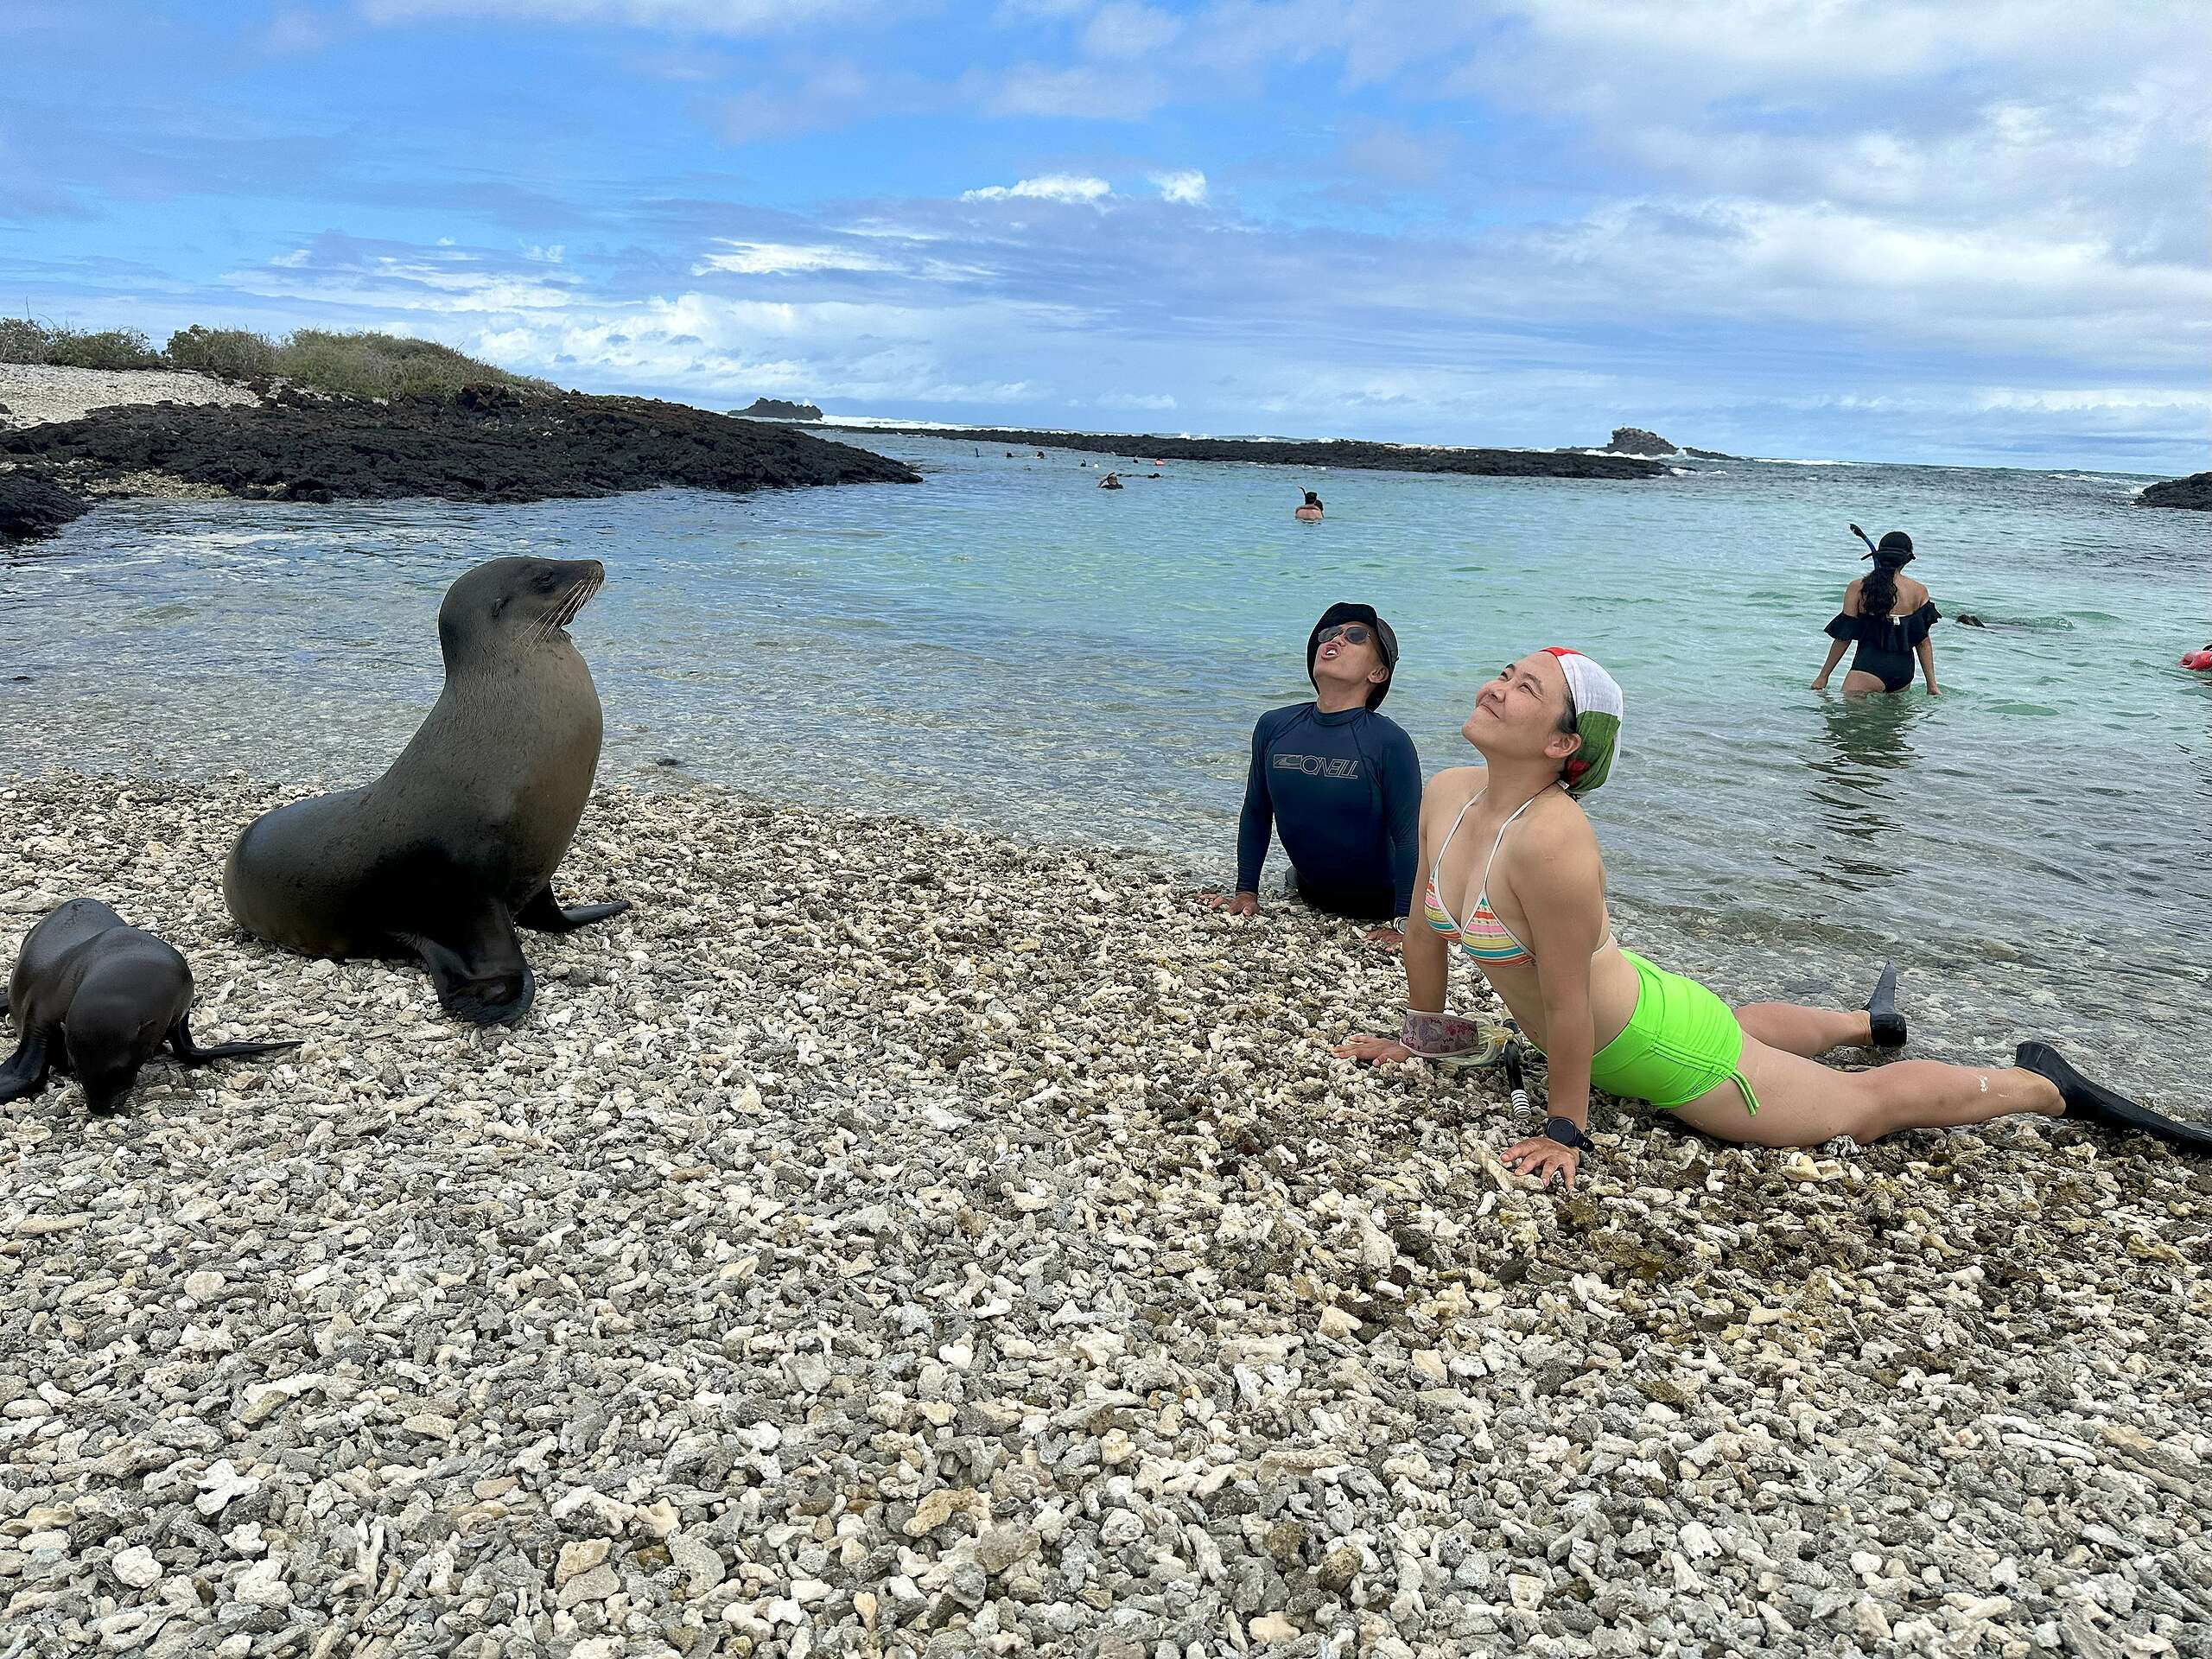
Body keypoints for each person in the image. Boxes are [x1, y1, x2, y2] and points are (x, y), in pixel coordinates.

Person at [1334, 646, 2208, 1186]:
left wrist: (1566, 1129)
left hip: (1660, 1050)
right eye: (1503, 673)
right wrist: (1421, 1036)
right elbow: (1423, 929)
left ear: (1566, 744)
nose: (1494, 688)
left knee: (1857, 1110)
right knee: (1741, 1028)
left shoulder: (1554, 843)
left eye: (1522, 688)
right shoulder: (1448, 794)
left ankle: (2043, 1084)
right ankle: (1871, 1020)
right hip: (1641, 1001)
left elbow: (1564, 1004)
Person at [1207, 603, 1421, 950]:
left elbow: (1410, 836)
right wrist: (1246, 891)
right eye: (1328, 634)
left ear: (1378, 673)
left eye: (1355, 636)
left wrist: (1403, 923)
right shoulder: (1274, 726)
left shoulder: (1389, 742)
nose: (1335, 640)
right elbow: (1257, 811)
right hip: (1309, 892)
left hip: (1381, 902)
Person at [1813, 530, 1940, 695]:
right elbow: (1923, 642)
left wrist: (1823, 676)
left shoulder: (1858, 587)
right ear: (1907, 559)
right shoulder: (1919, 591)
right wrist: (1932, 686)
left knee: (1847, 720)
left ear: (1878, 556)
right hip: (1904, 674)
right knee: (1889, 721)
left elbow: (1844, 637)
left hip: (1867, 669)